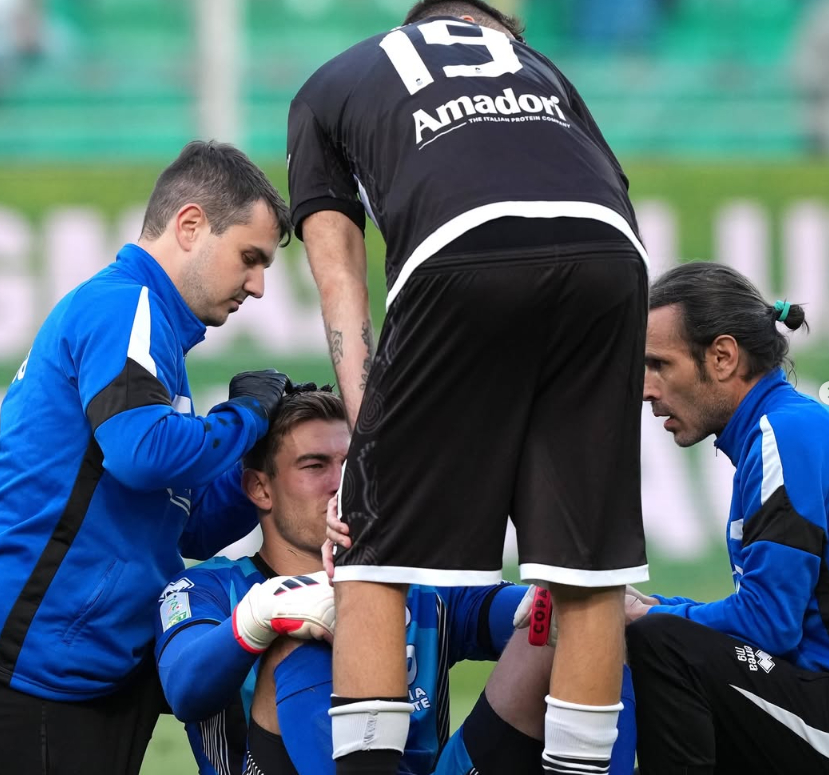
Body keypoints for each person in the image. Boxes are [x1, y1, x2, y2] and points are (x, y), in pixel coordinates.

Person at [286, 1, 650, 773]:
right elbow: (608, 190)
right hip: (613, 257)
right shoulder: (541, 68)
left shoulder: (330, 83)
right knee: (587, 565)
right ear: (495, 32)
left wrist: (370, 449)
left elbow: (340, 278)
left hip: (462, 246)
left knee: (370, 554)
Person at [155, 387, 638, 775]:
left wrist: (584, 603)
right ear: (260, 488)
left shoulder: (420, 583)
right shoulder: (207, 589)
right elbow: (184, 688)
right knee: (296, 629)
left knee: (577, 616)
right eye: (315, 466)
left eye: (351, 465)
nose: (342, 484)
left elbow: (521, 612)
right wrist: (261, 617)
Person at [0, 139, 293, 774]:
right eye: (250, 258)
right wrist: (246, 416)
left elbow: (188, 524)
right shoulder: (125, 305)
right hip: (42, 668)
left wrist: (262, 469)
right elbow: (143, 454)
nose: (259, 286)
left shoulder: (154, 334)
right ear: (190, 226)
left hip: (88, 665)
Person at [626, 261, 829, 774]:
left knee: (661, 645)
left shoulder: (783, 436)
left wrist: (652, 618)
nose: (646, 390)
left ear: (722, 357)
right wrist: (658, 605)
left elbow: (768, 625)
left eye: (659, 365)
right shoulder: (781, 429)